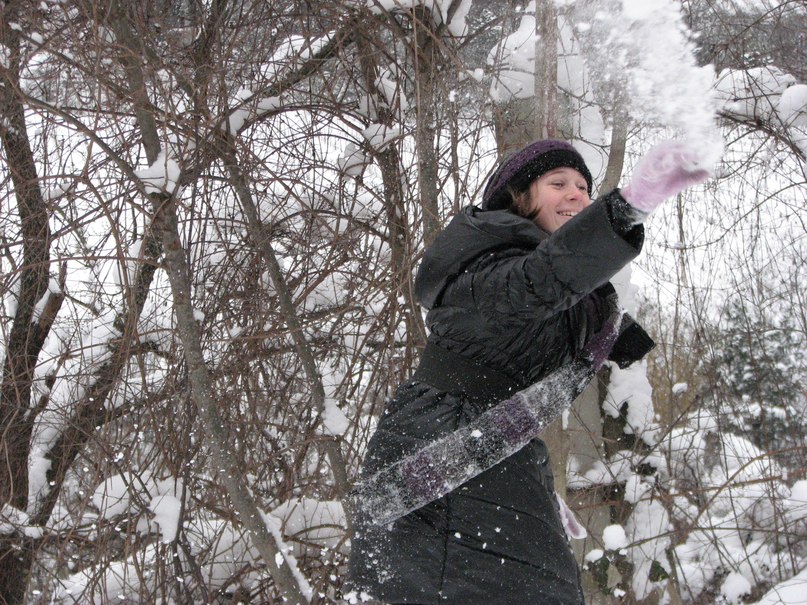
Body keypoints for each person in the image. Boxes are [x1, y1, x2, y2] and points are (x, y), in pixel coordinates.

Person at [347, 140, 710, 604]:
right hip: (441, 452)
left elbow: (561, 291)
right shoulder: (483, 267)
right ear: (519, 197)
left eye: (583, 187)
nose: (576, 195)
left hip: (490, 449)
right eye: (557, 184)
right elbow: (541, 281)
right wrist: (627, 207)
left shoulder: (564, 293)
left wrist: (529, 484)